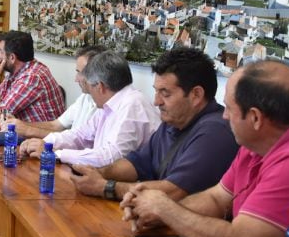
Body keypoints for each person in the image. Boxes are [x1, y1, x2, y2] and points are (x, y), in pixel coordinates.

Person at [121, 60, 289, 237]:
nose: (224, 115)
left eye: (230, 109)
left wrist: (165, 208)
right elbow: (216, 199)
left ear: (255, 118)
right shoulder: (254, 145)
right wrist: (156, 213)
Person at [71, 47, 238, 201]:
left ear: (196, 95)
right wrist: (99, 173)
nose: (156, 102)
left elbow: (173, 191)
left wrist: (104, 186)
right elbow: (136, 163)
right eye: (156, 91)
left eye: (165, 94)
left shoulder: (215, 132)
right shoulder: (173, 121)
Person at [22, 50, 160, 167]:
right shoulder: (110, 103)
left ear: (100, 86)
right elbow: (80, 135)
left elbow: (111, 157)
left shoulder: (133, 105)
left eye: (89, 86)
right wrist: (46, 143)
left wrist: (55, 154)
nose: (88, 92)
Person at [0, 44, 105, 137]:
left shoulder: (106, 105)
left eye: (79, 73)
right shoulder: (85, 97)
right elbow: (55, 125)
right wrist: (19, 124)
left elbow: (80, 142)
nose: (76, 79)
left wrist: (27, 130)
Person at [0, 30, 65, 123]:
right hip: (24, 133)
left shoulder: (32, 77)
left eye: (0, 52)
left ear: (12, 58)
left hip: (41, 136)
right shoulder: (17, 72)